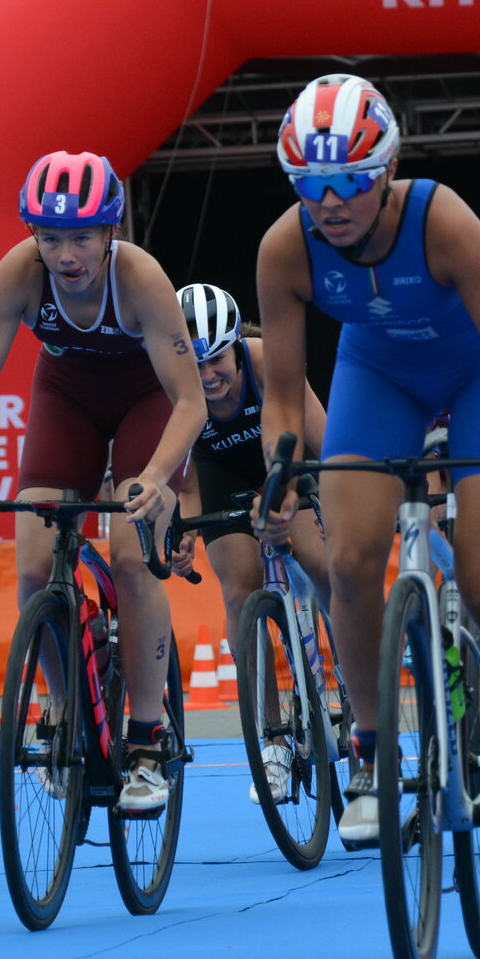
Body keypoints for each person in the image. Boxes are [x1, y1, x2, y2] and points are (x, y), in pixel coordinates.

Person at [255, 74, 480, 846]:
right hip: (379, 374)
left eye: (349, 182)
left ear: (386, 171)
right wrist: (281, 473)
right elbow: (285, 400)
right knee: (351, 562)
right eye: (311, 185)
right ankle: (370, 749)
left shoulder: (443, 220)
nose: (330, 203)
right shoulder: (285, 249)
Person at [0, 151, 206, 813]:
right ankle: (64, 710)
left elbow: (191, 400)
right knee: (31, 567)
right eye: (50, 238)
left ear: (110, 232)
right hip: (67, 398)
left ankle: (145, 739)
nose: (65, 254)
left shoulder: (141, 278)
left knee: (133, 558)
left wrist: (155, 478)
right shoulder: (18, 274)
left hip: (148, 402)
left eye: (81, 236)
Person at [173, 282, 335, 806]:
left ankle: (357, 687)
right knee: (241, 597)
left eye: (216, 359)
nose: (207, 377)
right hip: (221, 478)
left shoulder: (266, 362)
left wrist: (327, 503)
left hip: (286, 462)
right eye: (193, 364)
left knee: (322, 564)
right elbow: (191, 481)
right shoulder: (173, 386)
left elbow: (324, 444)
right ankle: (273, 740)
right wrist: (185, 531)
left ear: (236, 345)